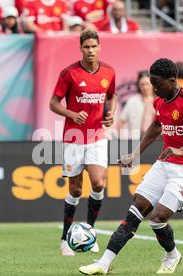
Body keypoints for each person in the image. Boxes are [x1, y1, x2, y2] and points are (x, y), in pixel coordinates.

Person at [79, 58, 183, 275]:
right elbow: (156, 125)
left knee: (157, 219)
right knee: (136, 209)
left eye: (157, 83)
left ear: (172, 80)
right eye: (152, 83)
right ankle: (103, 264)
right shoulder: (160, 101)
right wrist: (135, 154)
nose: (154, 88)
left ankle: (172, 255)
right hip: (165, 163)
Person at [49, 30, 117, 256]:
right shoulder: (69, 73)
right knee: (76, 189)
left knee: (98, 184)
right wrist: (71, 114)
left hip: (97, 136)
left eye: (93, 46)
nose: (90, 51)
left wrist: (111, 113)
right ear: (80, 48)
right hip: (74, 138)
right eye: (86, 47)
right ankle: (65, 239)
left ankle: (90, 231)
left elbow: (111, 96)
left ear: (99, 47)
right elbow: (53, 103)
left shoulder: (109, 71)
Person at [118, 71, 155, 140]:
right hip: (135, 142)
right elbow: (121, 121)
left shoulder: (159, 101)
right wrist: (122, 140)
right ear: (138, 85)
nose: (145, 87)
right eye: (142, 84)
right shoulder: (132, 101)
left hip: (154, 142)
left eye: (147, 84)